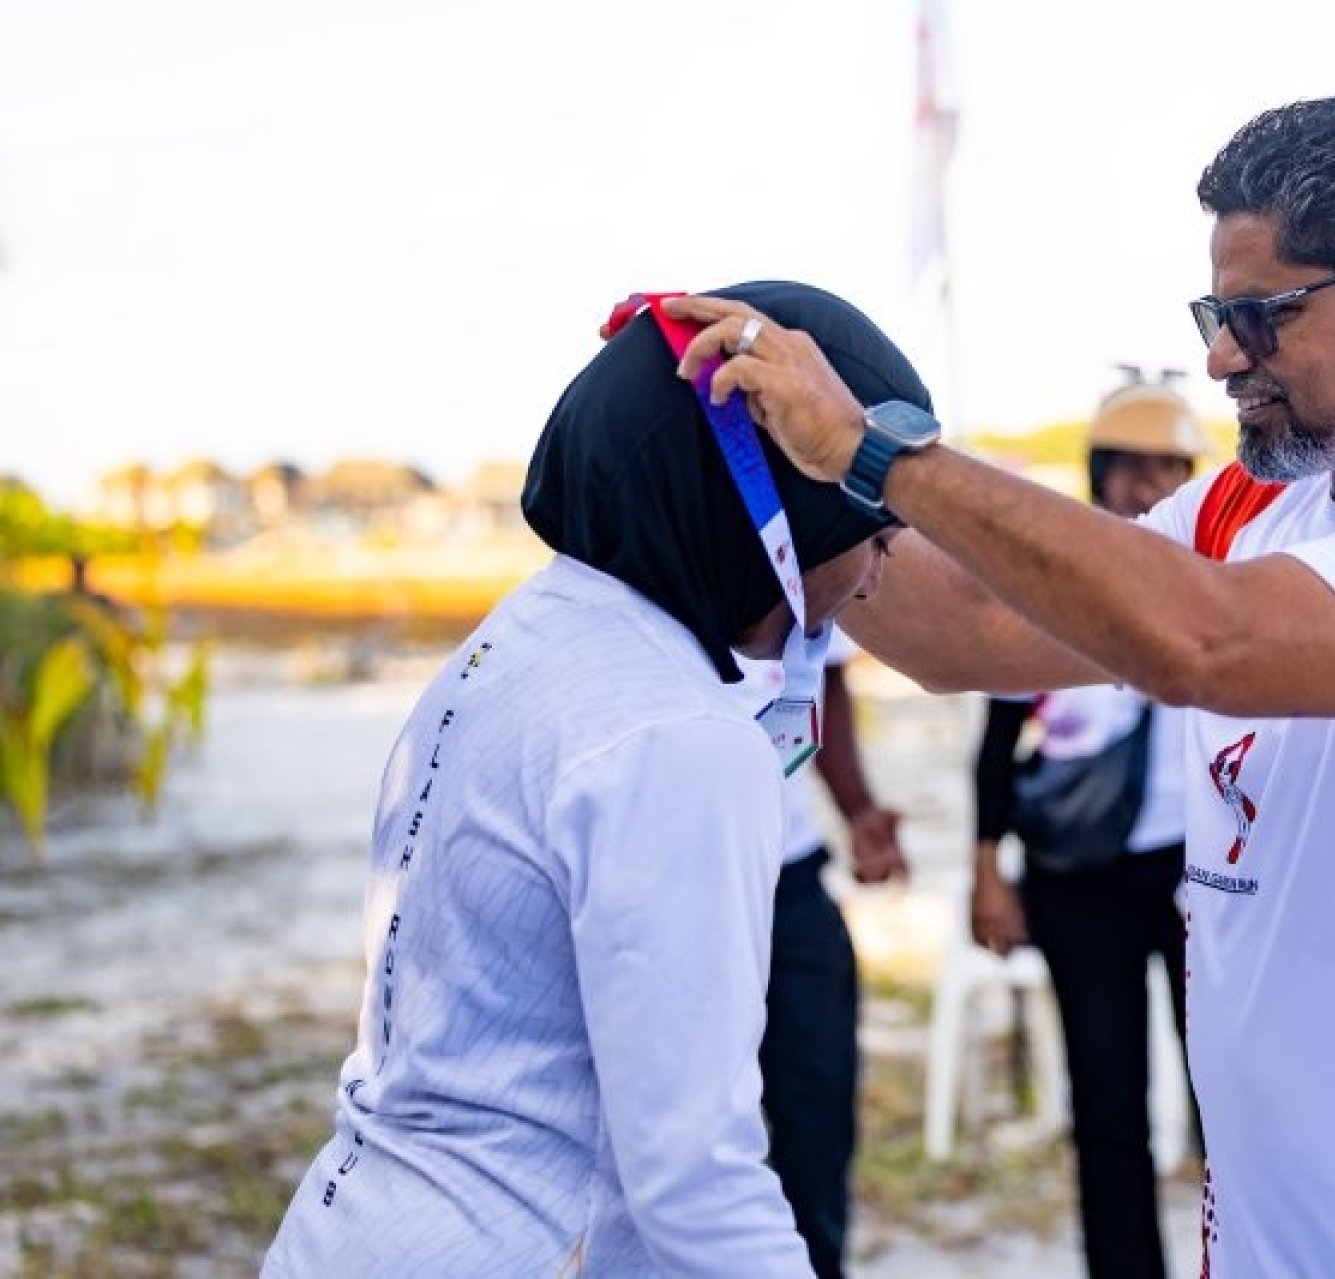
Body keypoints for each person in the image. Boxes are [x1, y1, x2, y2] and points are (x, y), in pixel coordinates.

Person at [663, 89, 1335, 1275]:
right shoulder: (1255, 506)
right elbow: (966, 628)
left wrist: (875, 450)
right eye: (1215, 313)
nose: (1221, 356)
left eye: (1262, 316)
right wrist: (758, 478)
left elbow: (1203, 644)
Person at [261, 281, 930, 1277]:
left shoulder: (517, 642)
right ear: (781, 510)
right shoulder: (680, 736)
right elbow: (694, 1185)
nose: (877, 576)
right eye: (873, 536)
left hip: (348, 1228)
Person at [968, 373, 1203, 1279]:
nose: (1147, 484)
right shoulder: (1049, 581)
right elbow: (996, 742)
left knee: (1226, 1094)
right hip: (1077, 873)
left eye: (1166, 466)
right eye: (1130, 465)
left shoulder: (1219, 575)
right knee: (1107, 1102)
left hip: (1194, 868)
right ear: (1098, 469)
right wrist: (987, 871)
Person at [737, 633, 905, 1279]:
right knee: (692, 1134)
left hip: (792, 876)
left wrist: (858, 808)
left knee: (817, 1119)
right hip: (684, 879)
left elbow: (822, 680)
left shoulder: (811, 575)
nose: (870, 583)